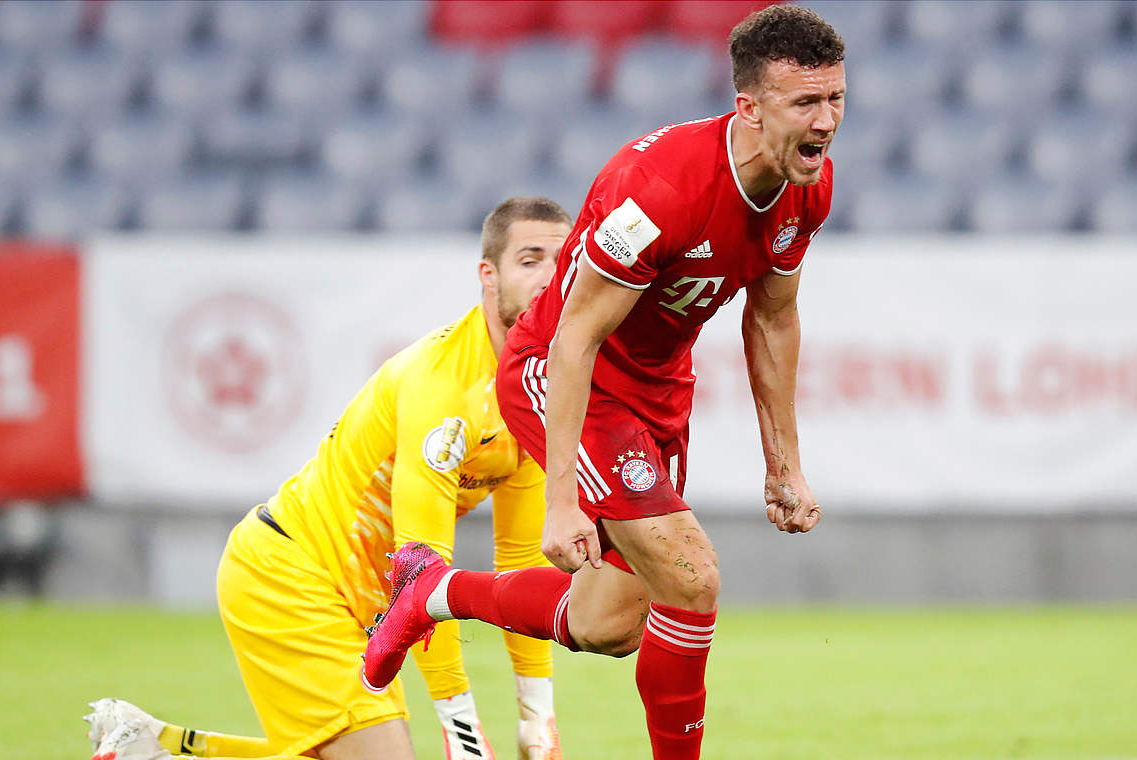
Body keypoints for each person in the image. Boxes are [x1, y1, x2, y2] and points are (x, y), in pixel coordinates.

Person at [361, 5, 843, 759]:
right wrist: (559, 503)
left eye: (836, 99)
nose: (827, 121)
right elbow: (572, 336)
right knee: (693, 578)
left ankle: (433, 591)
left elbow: (773, 318)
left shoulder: (807, 186)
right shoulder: (659, 190)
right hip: (563, 372)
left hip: (656, 389)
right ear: (749, 106)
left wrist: (784, 463)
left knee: (609, 625)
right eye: (805, 103)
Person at [85, 197, 574, 760]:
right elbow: (423, 576)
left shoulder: (535, 390)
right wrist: (462, 730)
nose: (549, 278)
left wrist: (539, 718)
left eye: (562, 262)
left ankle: (152, 750)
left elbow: (520, 561)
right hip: (292, 575)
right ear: (489, 274)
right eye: (530, 259)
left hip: (359, 597)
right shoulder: (444, 387)